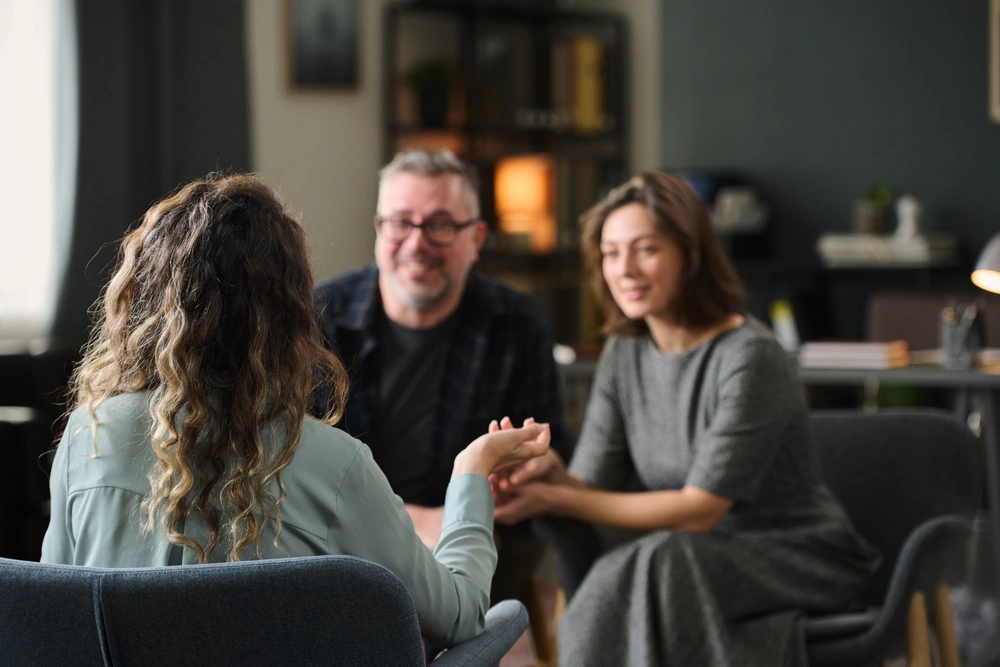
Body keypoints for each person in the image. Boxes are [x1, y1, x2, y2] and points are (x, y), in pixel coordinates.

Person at [40, 173, 552, 648]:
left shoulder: (89, 433)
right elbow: (459, 616)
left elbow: (56, 615)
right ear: (291, 312)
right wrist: (472, 472)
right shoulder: (334, 464)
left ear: (144, 297)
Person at [491, 172, 881, 666]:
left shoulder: (750, 356)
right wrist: (545, 474)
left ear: (691, 253)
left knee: (661, 558)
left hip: (799, 557)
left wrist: (557, 494)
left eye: (645, 249)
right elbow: (591, 492)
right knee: (659, 560)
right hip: (688, 560)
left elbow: (701, 511)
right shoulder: (624, 354)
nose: (624, 269)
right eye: (611, 253)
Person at [313, 150, 571, 605]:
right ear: (378, 230)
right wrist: (410, 524)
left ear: (477, 237)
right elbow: (298, 467)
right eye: (400, 222)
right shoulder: (319, 318)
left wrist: (527, 469)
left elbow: (554, 456)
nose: (416, 244)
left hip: (474, 537)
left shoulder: (517, 323)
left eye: (440, 225)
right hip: (343, 539)